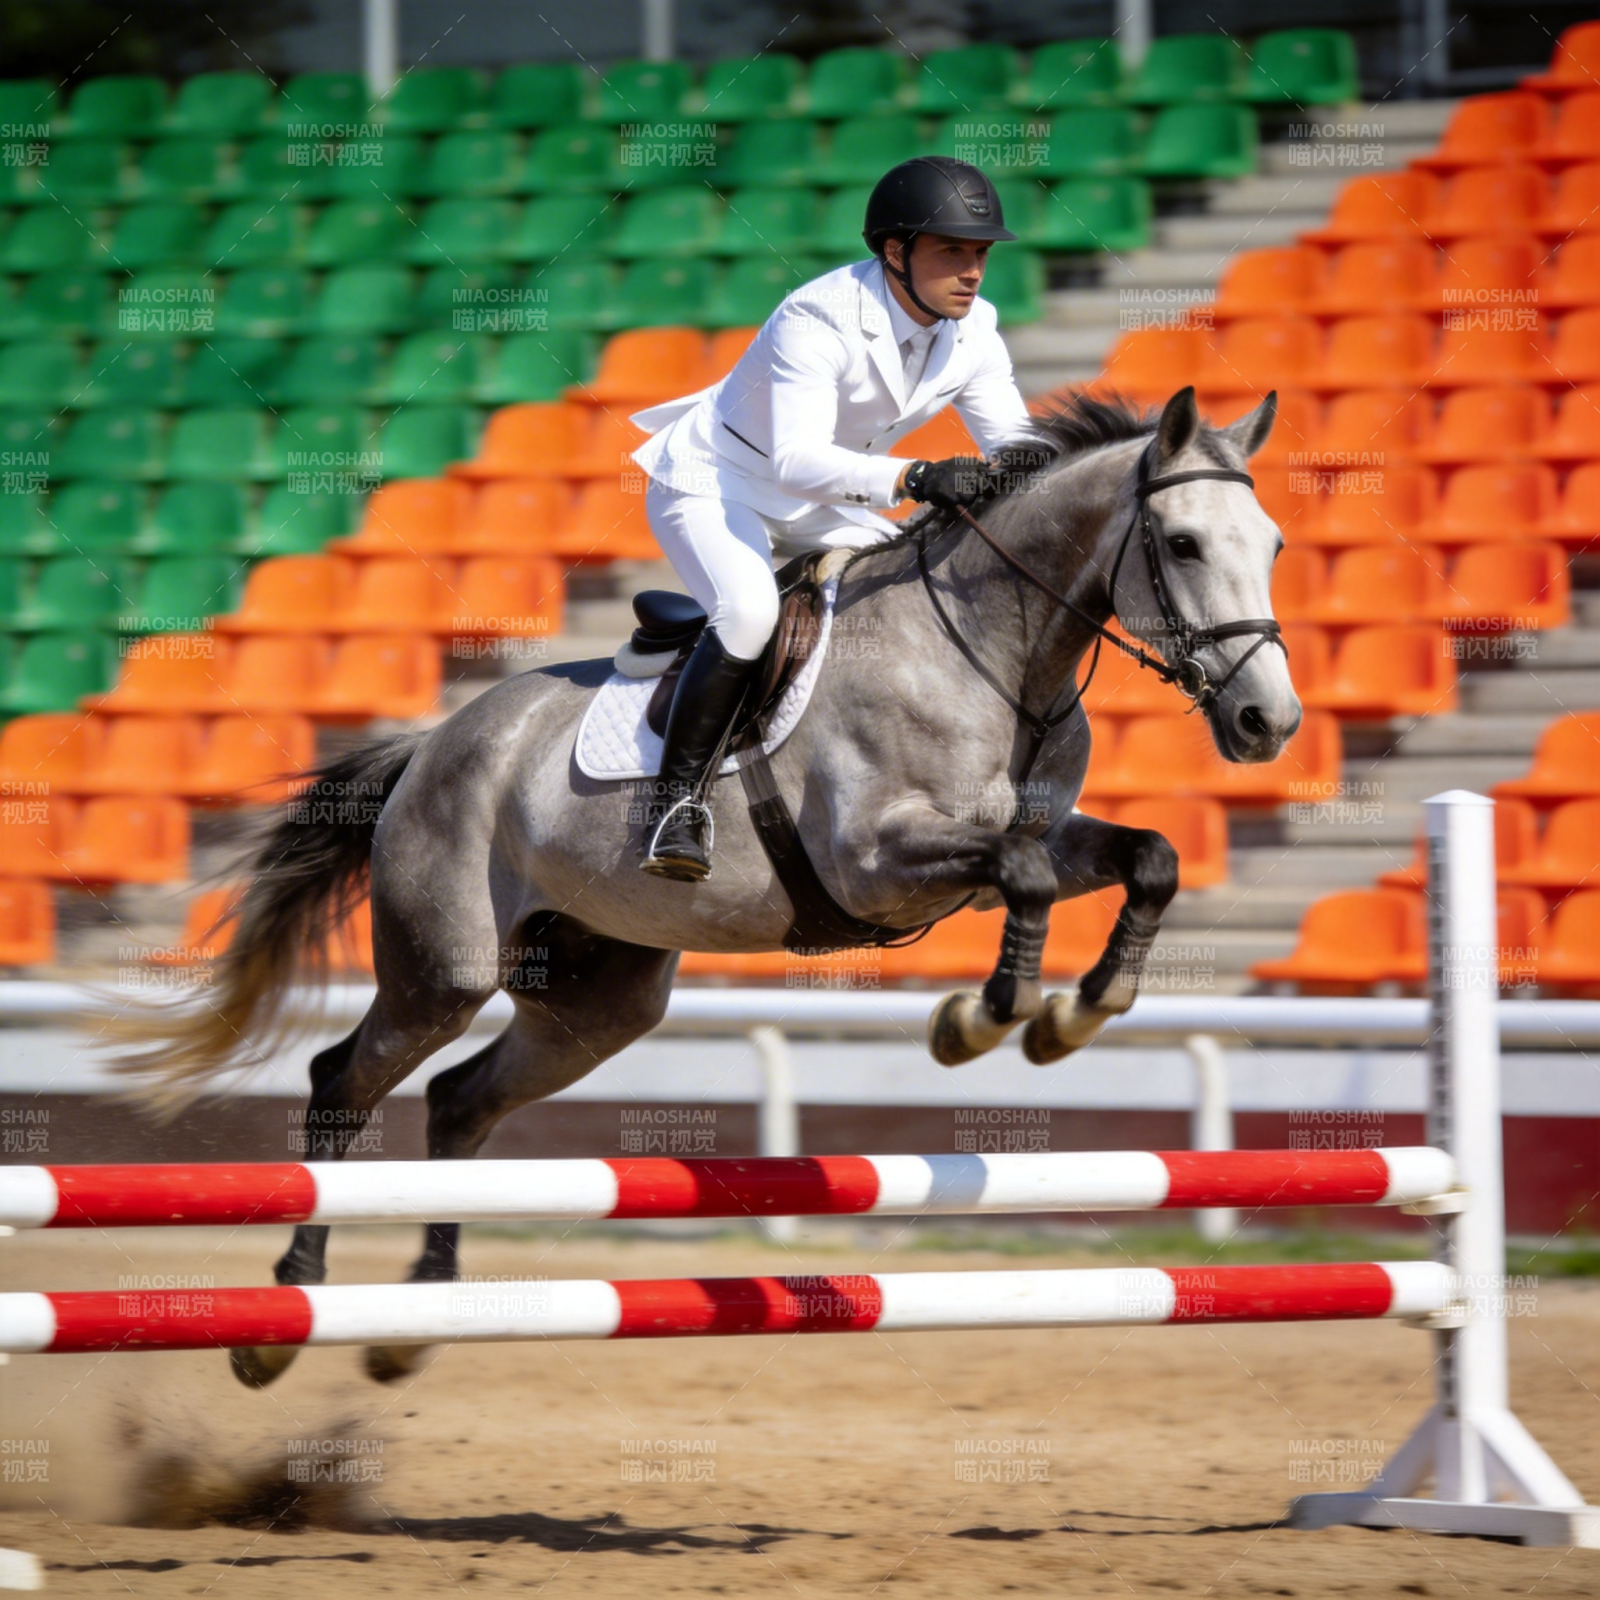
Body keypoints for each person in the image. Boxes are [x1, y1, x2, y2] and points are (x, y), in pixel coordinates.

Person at [629, 155, 1033, 882]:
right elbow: (795, 460)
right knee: (750, 613)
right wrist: (916, 475)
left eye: (980, 254)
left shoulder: (977, 330)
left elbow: (1017, 446)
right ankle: (674, 804)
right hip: (717, 482)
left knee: (907, 578)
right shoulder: (817, 316)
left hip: (823, 498)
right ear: (894, 251)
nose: (973, 271)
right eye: (953, 252)